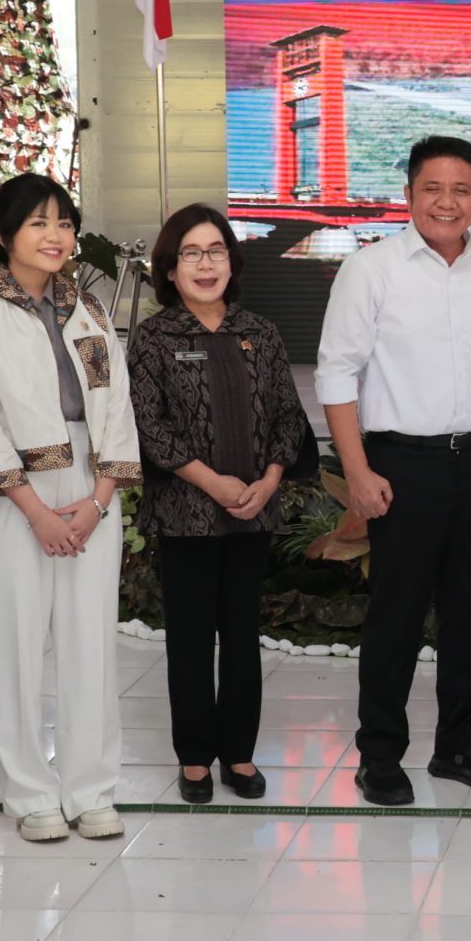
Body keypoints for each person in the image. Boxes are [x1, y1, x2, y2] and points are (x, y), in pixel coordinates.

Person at [316, 136, 471, 806]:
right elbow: (336, 373)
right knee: (396, 616)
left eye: (461, 190)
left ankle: (459, 746)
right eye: (432, 188)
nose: (446, 202)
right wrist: (356, 471)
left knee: (469, 614)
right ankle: (380, 753)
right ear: (408, 194)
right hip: (402, 464)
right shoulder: (371, 269)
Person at [0, 173, 142, 841]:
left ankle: (92, 790)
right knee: (17, 644)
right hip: (12, 496)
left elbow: (117, 405)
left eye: (64, 222)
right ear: (5, 235)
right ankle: (31, 794)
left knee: (91, 645)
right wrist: (36, 512)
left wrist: (99, 501)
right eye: (38, 223)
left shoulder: (88, 307)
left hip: (90, 485)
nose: (55, 235)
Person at [127, 203, 307, 803]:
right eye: (191, 254)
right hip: (187, 516)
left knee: (243, 637)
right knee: (189, 640)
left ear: (232, 261)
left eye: (215, 251)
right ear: (169, 269)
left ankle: (240, 753)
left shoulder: (261, 331)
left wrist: (270, 479)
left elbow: (288, 416)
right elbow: (150, 428)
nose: (205, 265)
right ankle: (195, 757)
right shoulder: (155, 337)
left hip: (254, 511)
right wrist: (214, 484)